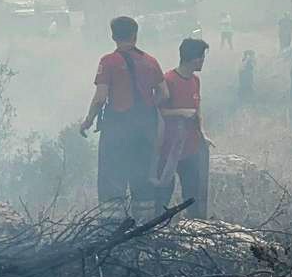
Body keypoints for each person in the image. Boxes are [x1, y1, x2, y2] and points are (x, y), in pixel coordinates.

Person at [80, 16, 167, 215]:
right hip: (146, 129)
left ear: (113, 36)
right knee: (143, 177)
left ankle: (112, 229)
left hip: (116, 129)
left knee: (112, 177)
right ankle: (143, 227)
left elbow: (100, 97)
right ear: (135, 35)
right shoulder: (150, 61)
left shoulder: (108, 61)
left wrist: (88, 121)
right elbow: (164, 93)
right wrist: (148, 109)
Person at [155, 38, 212, 218]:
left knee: (193, 193)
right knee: (163, 192)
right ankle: (157, 226)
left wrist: (203, 133)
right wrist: (180, 112)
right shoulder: (168, 80)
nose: (203, 61)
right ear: (193, 59)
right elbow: (157, 112)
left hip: (192, 147)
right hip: (169, 148)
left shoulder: (195, 80)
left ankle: (196, 227)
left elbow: (197, 109)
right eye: (202, 57)